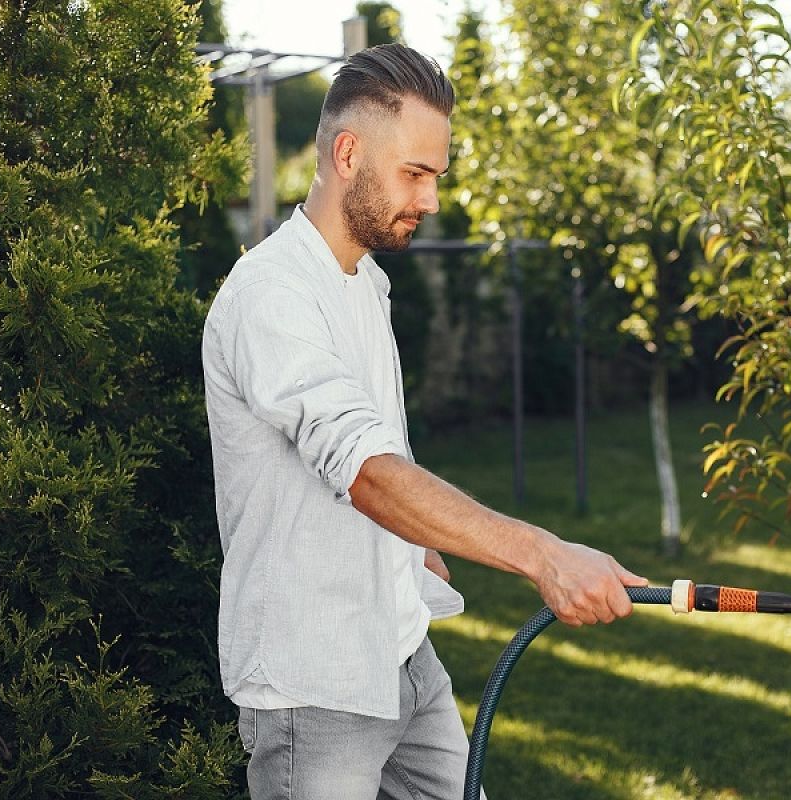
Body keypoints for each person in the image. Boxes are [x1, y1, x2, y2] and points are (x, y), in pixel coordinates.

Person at [201, 43, 647, 800]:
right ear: (348, 153)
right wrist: (543, 556)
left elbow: (382, 450)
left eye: (435, 174)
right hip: (317, 686)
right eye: (416, 173)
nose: (432, 198)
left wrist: (411, 550)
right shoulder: (270, 296)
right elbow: (366, 472)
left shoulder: (363, 282)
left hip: (401, 651)